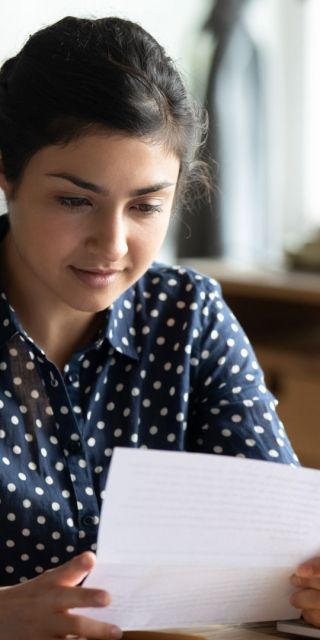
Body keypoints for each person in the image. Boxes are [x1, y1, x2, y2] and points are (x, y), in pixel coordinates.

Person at [0, 14, 318, 640]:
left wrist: (310, 587)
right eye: (74, 200)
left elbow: (282, 547)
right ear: (6, 173)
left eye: (146, 206)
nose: (112, 244)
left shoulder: (188, 317)